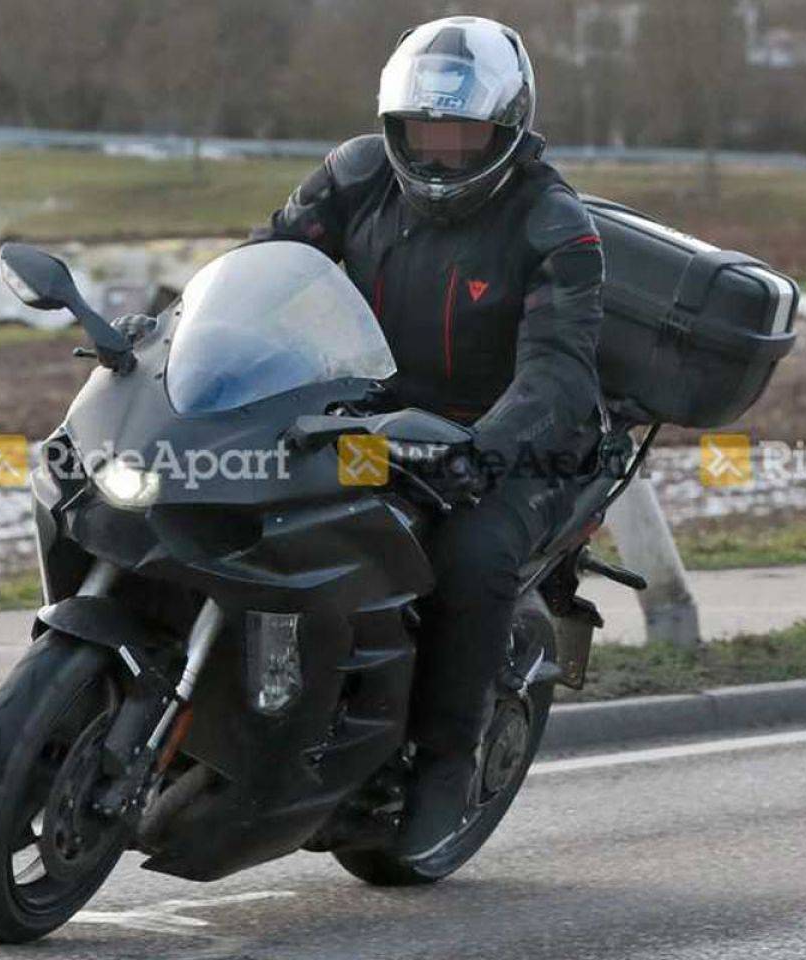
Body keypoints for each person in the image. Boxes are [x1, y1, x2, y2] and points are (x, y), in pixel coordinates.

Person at [254, 15, 607, 862]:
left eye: (462, 134)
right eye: (424, 131)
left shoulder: (553, 224)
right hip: (371, 424)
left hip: (515, 444)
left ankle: (446, 760)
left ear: (508, 129)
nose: (440, 152)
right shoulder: (355, 175)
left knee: (471, 556)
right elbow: (266, 265)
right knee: (257, 501)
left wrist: (483, 451)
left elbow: (558, 373)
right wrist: (179, 335)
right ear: (395, 126)